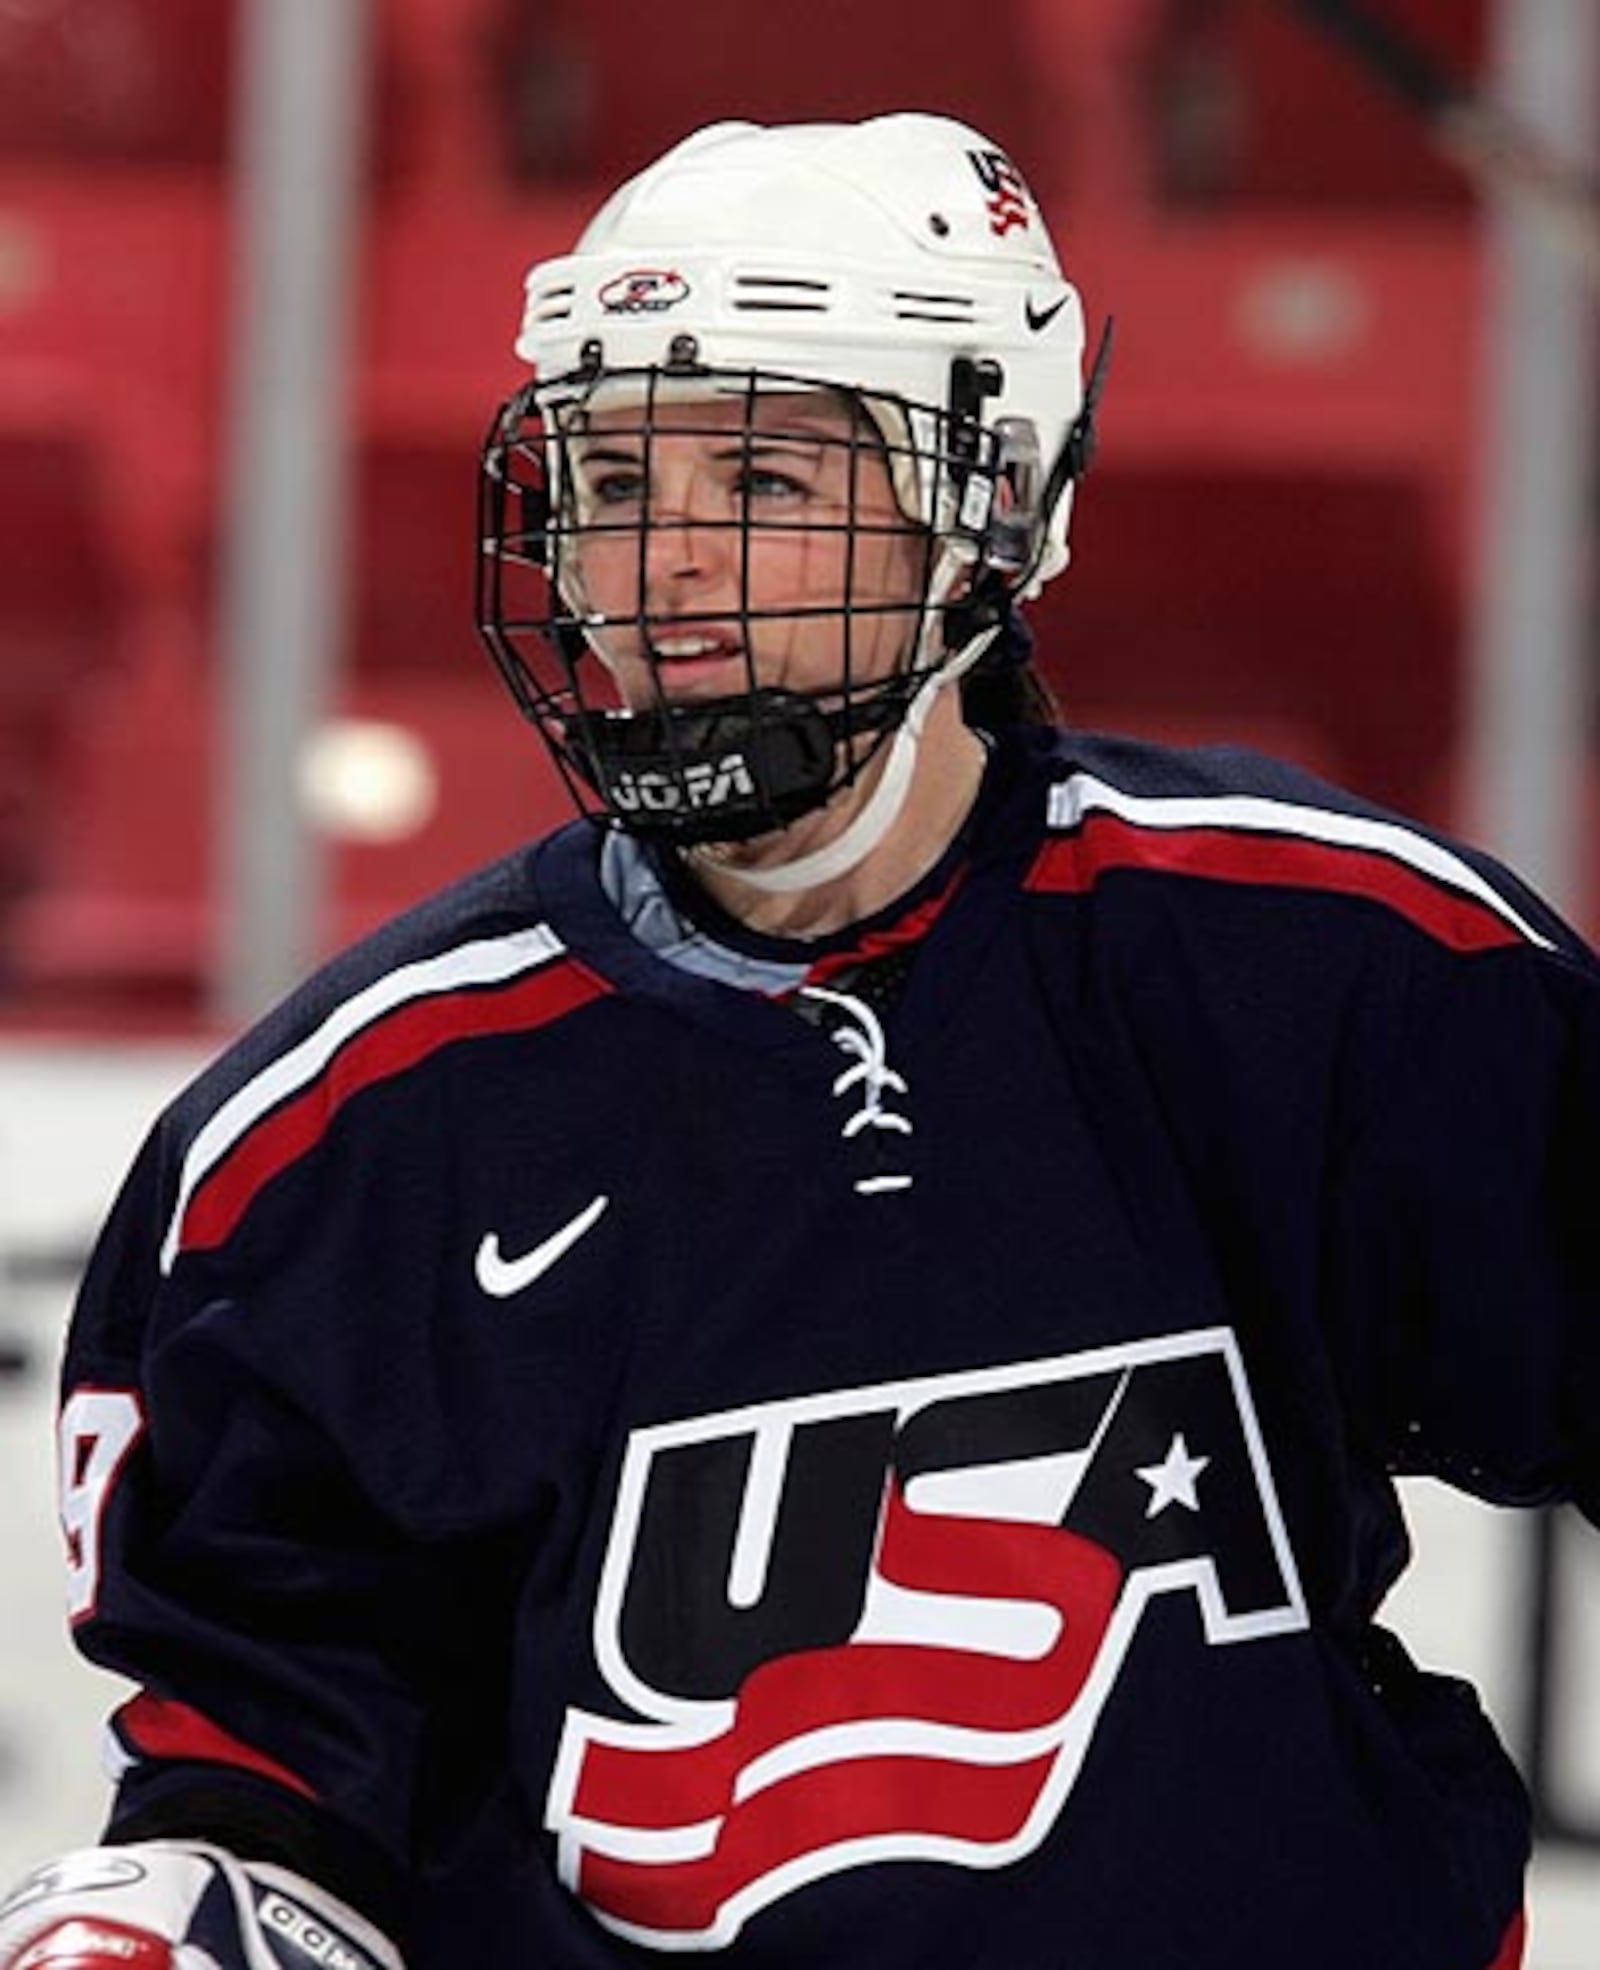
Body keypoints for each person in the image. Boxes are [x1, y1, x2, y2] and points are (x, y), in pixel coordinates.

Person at [0, 111, 1594, 1970]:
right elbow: (269, 1786)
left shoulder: (1332, 965)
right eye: (607, 485)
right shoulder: (335, 1142)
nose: (659, 568)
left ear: (990, 504)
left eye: (760, 482)